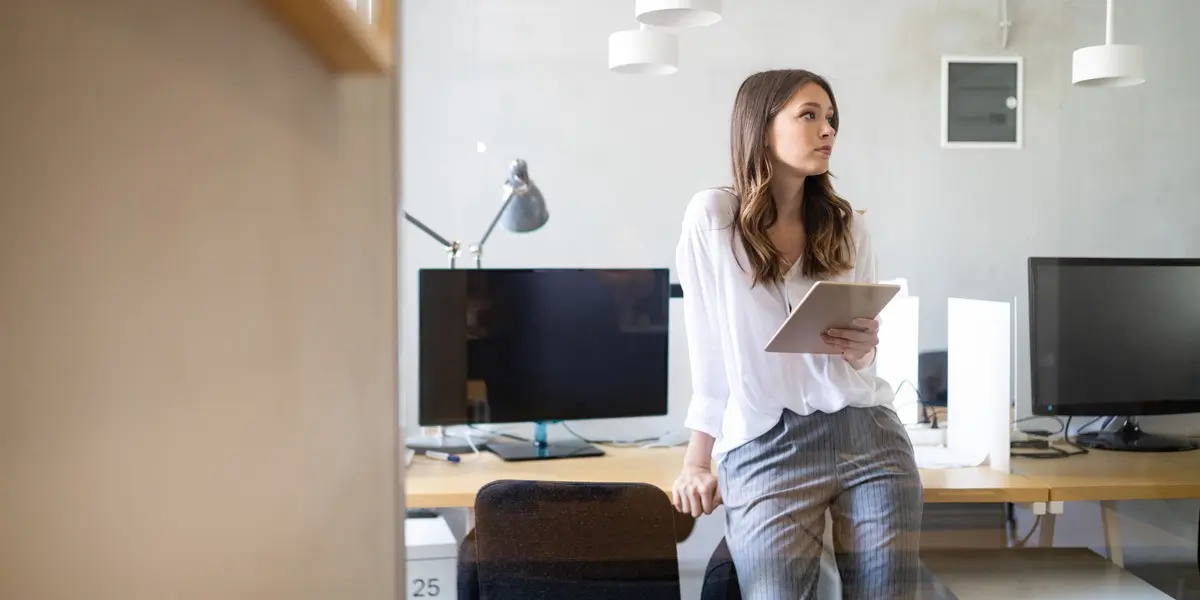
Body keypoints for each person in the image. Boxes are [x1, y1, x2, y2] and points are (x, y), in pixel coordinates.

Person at [670, 69, 923, 600]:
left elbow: (862, 364)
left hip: (868, 435)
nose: (827, 130)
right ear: (760, 128)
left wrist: (862, 347)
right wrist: (697, 460)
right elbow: (710, 354)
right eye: (809, 115)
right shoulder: (713, 219)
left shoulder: (848, 224)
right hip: (767, 445)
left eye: (830, 119)